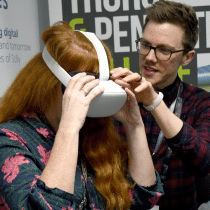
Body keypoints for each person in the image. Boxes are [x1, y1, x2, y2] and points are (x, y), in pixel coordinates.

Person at [0, 21, 163, 210]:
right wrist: (69, 127)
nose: (95, 90)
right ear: (50, 82)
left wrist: (134, 125)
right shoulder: (10, 138)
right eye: (86, 80)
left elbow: (144, 198)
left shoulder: (94, 131)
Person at [110, 1, 210, 210]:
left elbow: (204, 162)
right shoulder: (116, 96)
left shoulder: (201, 103)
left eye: (164, 50)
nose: (150, 57)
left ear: (187, 57)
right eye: (145, 44)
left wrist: (153, 102)